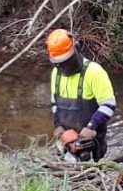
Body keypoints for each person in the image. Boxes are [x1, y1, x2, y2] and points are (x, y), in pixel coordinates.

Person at [46, 28, 116, 161]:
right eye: (59, 64)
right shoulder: (56, 73)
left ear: (77, 49)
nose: (63, 66)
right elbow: (54, 102)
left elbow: (109, 104)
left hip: (91, 140)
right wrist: (57, 124)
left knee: (92, 176)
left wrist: (91, 127)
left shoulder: (94, 72)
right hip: (67, 138)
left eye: (67, 61)